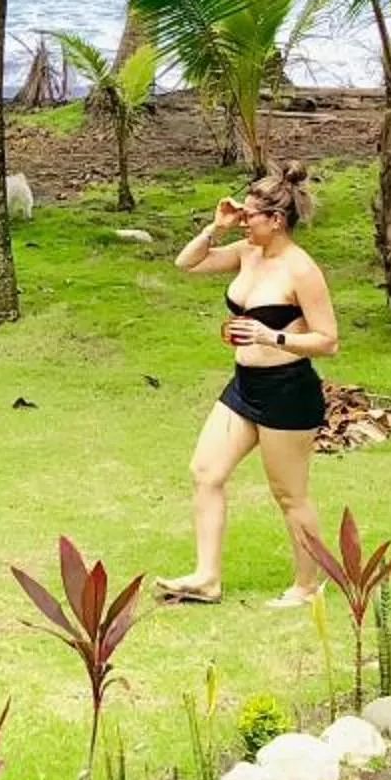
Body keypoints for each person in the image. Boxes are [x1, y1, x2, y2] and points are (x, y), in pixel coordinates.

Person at [156, 165, 340, 607]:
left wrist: (273, 336)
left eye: (250, 216)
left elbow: (328, 341)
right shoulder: (247, 252)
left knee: (289, 495)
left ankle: (306, 586)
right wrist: (215, 227)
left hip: (287, 391)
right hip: (245, 386)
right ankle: (206, 578)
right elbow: (188, 263)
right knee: (205, 472)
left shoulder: (302, 270)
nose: (243, 221)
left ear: (276, 220)